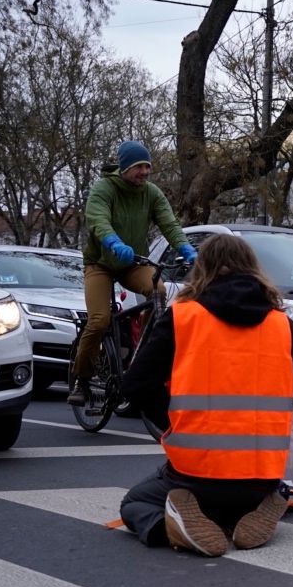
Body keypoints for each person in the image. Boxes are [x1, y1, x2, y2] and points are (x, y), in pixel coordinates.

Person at [117, 233, 293, 556]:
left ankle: (175, 525)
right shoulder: (283, 326)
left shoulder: (182, 319)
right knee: (238, 497)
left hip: (195, 474)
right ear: (253, 269)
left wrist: (173, 422)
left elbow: (134, 386)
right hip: (262, 478)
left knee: (135, 502)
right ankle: (254, 509)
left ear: (202, 270)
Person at [68, 140, 198, 405]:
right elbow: (98, 220)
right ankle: (82, 379)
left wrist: (185, 247)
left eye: (147, 166)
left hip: (132, 263)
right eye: (139, 166)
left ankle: (144, 350)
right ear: (125, 167)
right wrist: (113, 242)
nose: (144, 172)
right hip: (100, 263)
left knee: (158, 291)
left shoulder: (151, 193)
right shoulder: (104, 189)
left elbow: (168, 223)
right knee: (100, 320)